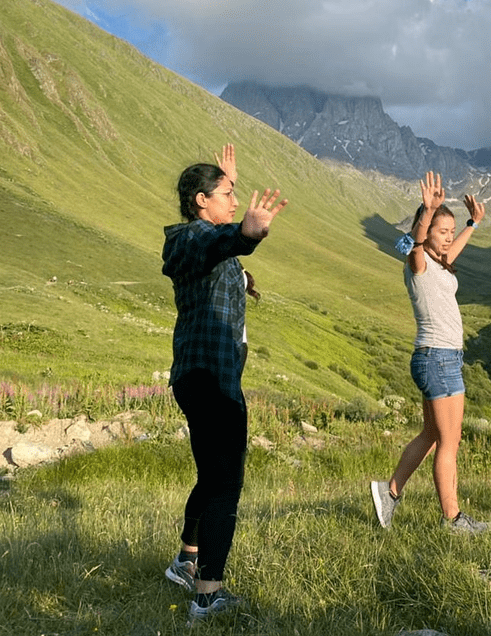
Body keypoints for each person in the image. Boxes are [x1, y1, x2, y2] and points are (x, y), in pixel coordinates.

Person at [161, 144, 287, 622]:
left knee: (211, 476)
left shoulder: (207, 238)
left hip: (208, 375)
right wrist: (246, 235)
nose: (233, 200)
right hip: (212, 379)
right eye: (226, 194)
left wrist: (244, 273)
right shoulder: (191, 238)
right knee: (226, 483)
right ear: (200, 201)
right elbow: (214, 245)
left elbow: (222, 257)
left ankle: (186, 561)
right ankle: (207, 596)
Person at [370, 172, 489, 534]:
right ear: (427, 233)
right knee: (449, 441)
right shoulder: (418, 261)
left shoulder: (439, 261)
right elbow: (414, 242)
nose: (448, 236)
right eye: (443, 230)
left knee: (432, 435)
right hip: (436, 358)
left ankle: (388, 493)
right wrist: (427, 212)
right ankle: (452, 519)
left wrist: (473, 224)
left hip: (443, 358)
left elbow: (453, 249)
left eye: (450, 229)